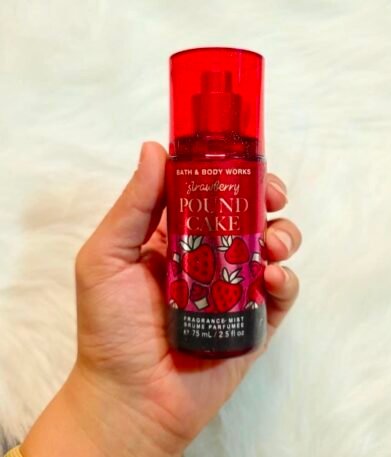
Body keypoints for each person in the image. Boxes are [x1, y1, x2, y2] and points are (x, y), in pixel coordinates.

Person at [6, 142, 301, 457]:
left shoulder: (246, 165)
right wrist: (109, 400)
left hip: (230, 325)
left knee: (260, 241)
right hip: (169, 340)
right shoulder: (185, 166)